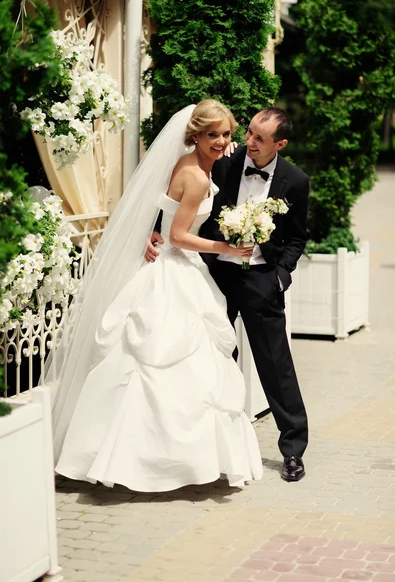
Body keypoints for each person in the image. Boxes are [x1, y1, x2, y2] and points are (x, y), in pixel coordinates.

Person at [47, 100, 263, 492]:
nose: (221, 141)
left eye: (227, 134)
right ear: (193, 134)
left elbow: (157, 206)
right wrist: (226, 248)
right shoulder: (196, 177)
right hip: (175, 266)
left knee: (140, 362)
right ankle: (163, 464)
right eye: (211, 134)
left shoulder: (181, 161)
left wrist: (151, 230)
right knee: (161, 363)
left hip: (162, 262)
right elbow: (180, 236)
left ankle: (101, 455)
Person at [147, 107, 309, 483]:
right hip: (214, 276)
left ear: (279, 144)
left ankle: (293, 449)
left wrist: (280, 277)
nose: (248, 142)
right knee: (215, 360)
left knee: (276, 365)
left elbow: (297, 237)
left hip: (260, 281)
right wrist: (153, 231)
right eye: (249, 132)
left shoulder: (295, 181)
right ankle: (217, 448)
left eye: (258, 138)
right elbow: (175, 200)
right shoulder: (225, 160)